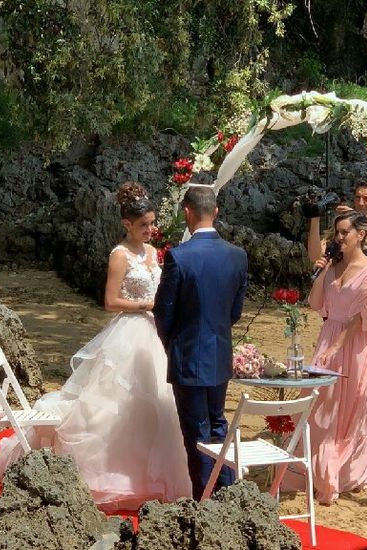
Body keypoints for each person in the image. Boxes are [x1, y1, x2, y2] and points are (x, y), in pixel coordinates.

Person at [0, 181, 191, 510]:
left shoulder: (153, 253)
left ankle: (152, 474)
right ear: (127, 225)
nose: (151, 229)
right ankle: (111, 474)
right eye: (143, 225)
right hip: (130, 329)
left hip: (154, 334)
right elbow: (110, 301)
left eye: (152, 223)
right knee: (115, 402)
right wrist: (146, 306)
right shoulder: (119, 255)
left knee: (158, 401)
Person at [153, 185, 249, 500]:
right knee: (218, 425)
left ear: (187, 213)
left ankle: (204, 500)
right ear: (216, 212)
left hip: (187, 354)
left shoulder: (178, 257)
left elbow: (163, 313)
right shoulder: (237, 255)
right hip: (220, 352)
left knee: (197, 432)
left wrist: (174, 345)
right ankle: (227, 494)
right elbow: (235, 311)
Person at [295, 210, 367, 505]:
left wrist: (338, 347)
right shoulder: (333, 267)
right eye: (338, 232)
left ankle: (350, 471)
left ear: (360, 235)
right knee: (322, 402)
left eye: (345, 232)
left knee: (355, 402)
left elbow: (362, 318)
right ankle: (318, 464)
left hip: (356, 343)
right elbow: (316, 303)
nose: (340, 237)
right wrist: (322, 270)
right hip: (329, 334)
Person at [307, 176, 367, 410]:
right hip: (342, 306)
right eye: (357, 197)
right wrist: (316, 218)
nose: (360, 202)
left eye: (366, 199)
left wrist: (359, 227)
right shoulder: (343, 231)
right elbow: (317, 255)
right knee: (336, 368)